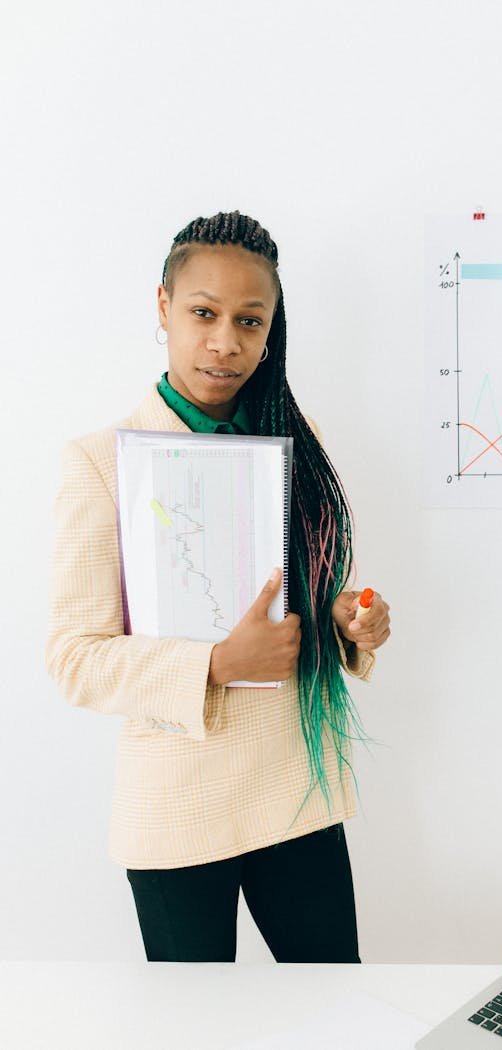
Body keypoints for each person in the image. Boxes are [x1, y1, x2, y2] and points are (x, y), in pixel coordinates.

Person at [46, 210, 391, 963]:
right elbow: (74, 656)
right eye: (204, 313)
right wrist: (217, 665)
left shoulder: (300, 443)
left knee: (336, 1010)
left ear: (271, 331)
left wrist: (345, 621)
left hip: (296, 791)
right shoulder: (101, 462)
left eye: (250, 320)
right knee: (195, 1032)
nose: (225, 342)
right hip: (177, 810)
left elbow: (308, 596)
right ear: (163, 306)